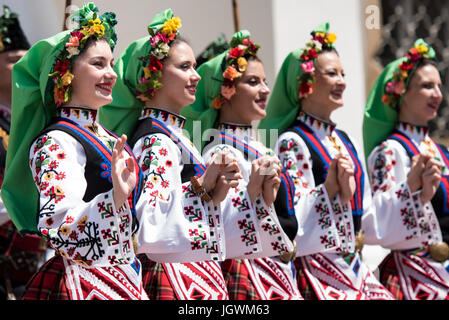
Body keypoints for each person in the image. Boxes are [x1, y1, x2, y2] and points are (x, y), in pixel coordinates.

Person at [99, 9, 294, 300]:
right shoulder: (156, 140)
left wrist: (253, 190)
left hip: (195, 270)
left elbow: (212, 217)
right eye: (185, 67)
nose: (195, 76)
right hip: (175, 275)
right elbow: (151, 220)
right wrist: (204, 187)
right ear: (153, 75)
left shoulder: (176, 136)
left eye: (194, 67)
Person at [2, 3, 147, 300]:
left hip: (126, 279)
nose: (111, 74)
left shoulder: (105, 136)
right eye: (98, 64)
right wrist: (115, 197)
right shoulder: (55, 142)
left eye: (111, 63)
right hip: (85, 284)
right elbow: (59, 226)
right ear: (65, 72)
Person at [258, 22, 395, 300]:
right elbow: (294, 214)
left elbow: (366, 210)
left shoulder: (345, 139)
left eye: (343, 73)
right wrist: (329, 189)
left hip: (354, 266)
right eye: (331, 74)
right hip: (316, 268)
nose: (341, 81)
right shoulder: (293, 141)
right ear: (304, 83)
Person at [181, 30, 301, 300]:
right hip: (246, 273)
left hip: (275, 270)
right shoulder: (221, 150)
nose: (265, 89)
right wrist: (255, 192)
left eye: (265, 81)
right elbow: (228, 224)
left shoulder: (260, 146)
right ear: (226, 91)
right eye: (253, 82)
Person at [363, 39, 449, 300]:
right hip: (414, 278)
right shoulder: (389, 151)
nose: (437, 94)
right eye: (426, 86)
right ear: (401, 92)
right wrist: (411, 186)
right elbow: (379, 218)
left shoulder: (442, 151)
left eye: (438, 86)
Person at [0, 5, 48, 300]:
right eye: (13, 60)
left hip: (33, 261)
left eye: (25, 61)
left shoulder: (35, 122)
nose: (22, 68)